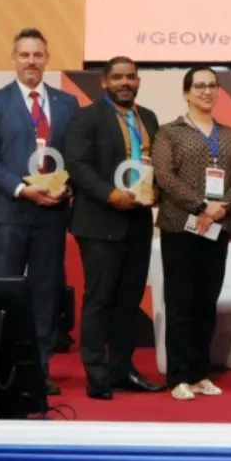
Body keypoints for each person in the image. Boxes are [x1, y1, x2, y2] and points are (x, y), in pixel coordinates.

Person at [0, 28, 79, 396]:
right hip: (8, 212)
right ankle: (1, 368)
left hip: (51, 213)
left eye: (37, 55)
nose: (31, 61)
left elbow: (76, 158)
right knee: (5, 293)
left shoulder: (67, 103)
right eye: (24, 55)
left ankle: (40, 369)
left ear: (47, 58)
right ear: (13, 59)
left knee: (46, 294)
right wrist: (22, 189)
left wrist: (65, 188)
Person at [66, 57, 163, 399]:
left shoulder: (148, 117)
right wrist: (110, 195)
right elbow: (77, 165)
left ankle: (122, 370)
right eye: (118, 77)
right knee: (99, 300)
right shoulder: (87, 116)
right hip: (100, 222)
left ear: (138, 81)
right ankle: (96, 376)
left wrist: (158, 193)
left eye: (131, 77)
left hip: (138, 222)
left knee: (128, 302)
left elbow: (157, 164)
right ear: (104, 83)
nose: (126, 82)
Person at [152, 67, 231, 401]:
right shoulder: (169, 132)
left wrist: (220, 208)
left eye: (212, 85)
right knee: (179, 302)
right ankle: (177, 375)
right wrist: (199, 205)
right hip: (180, 226)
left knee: (206, 302)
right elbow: (164, 176)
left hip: (217, 228)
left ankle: (199, 373)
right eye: (200, 86)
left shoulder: (230, 134)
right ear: (186, 92)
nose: (207, 91)